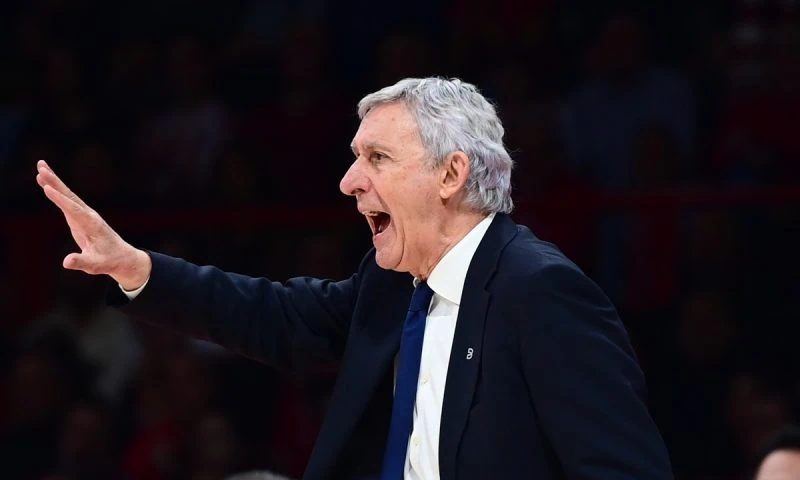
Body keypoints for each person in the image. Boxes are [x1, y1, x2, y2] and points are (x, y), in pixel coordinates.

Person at [36, 77, 673, 479]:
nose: (349, 182)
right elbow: (276, 316)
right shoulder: (391, 283)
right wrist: (137, 268)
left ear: (451, 175)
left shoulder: (540, 292)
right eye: (354, 158)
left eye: (377, 158)